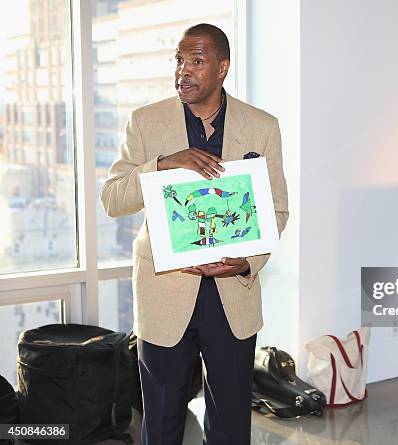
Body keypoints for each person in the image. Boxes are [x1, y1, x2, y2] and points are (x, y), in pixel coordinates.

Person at [100, 23, 289, 445]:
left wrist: (247, 261)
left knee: (231, 423)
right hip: (166, 291)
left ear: (222, 68)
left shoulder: (262, 127)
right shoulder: (145, 123)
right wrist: (163, 164)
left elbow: (276, 209)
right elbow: (112, 198)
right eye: (179, 60)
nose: (183, 71)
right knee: (162, 421)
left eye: (197, 62)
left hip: (231, 295)